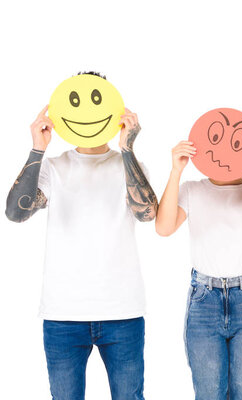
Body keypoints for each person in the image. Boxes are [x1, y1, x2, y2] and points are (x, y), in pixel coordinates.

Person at [5, 71, 157, 400]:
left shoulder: (131, 165)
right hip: (63, 315)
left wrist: (128, 149)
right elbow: (16, 213)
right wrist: (37, 149)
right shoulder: (53, 167)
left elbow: (148, 214)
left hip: (122, 312)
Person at [155, 135, 242, 400]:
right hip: (204, 298)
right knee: (208, 392)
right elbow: (164, 228)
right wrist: (175, 171)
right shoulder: (191, 189)